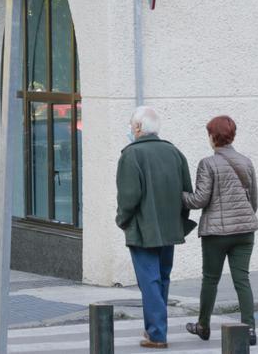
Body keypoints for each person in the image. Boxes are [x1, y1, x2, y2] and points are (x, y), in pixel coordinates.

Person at [116, 106, 194, 350]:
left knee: (149, 280)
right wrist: (179, 219)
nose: (130, 129)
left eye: (131, 125)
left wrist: (122, 220)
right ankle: (155, 327)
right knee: (162, 278)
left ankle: (157, 333)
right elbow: (186, 193)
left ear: (138, 127)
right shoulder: (174, 153)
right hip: (171, 228)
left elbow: (129, 197)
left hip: (142, 229)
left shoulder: (131, 155)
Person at [182, 115, 258, 346]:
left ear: (212, 137)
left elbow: (199, 200)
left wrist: (180, 196)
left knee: (210, 280)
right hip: (245, 231)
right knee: (242, 280)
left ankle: (203, 326)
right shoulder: (246, 162)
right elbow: (253, 202)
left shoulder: (208, 163)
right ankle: (249, 329)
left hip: (216, 234)